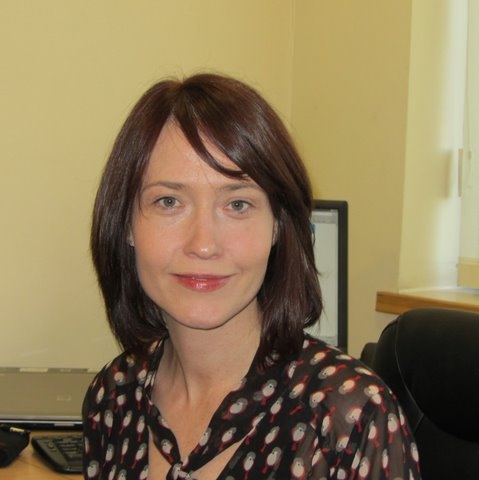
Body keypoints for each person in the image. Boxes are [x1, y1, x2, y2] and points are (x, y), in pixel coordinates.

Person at [83, 73, 421, 480]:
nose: (203, 244)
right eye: (169, 201)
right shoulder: (114, 396)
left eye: (238, 204)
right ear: (126, 225)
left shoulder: (348, 418)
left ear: (278, 225)